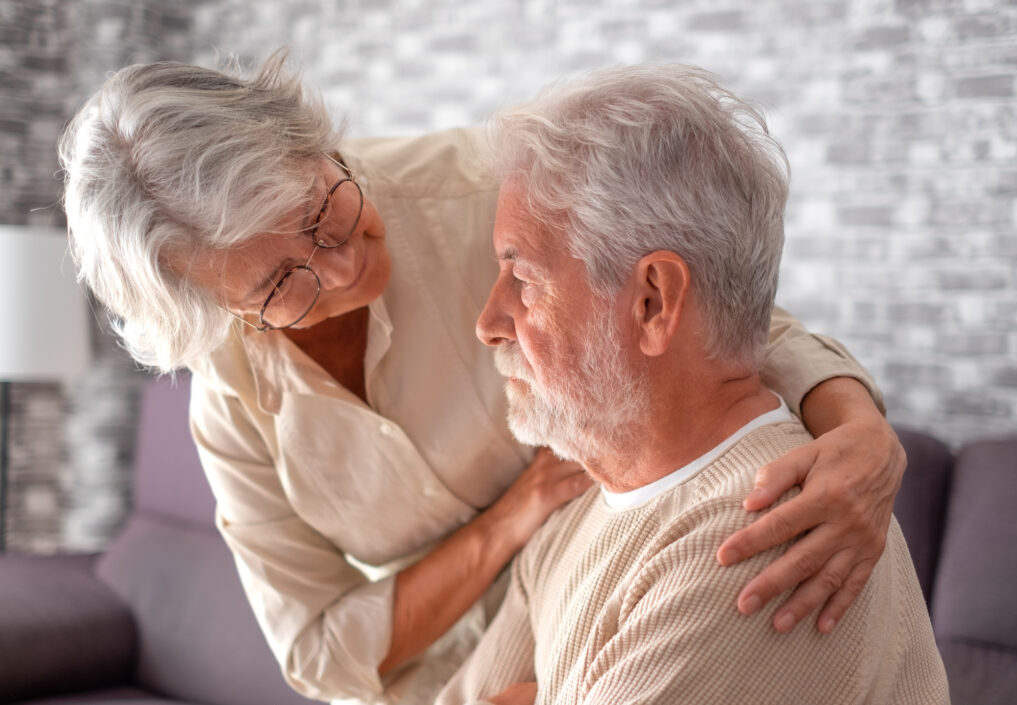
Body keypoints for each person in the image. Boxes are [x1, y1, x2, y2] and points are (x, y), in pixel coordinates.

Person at [59, 51, 907, 704]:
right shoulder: (232, 396)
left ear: (312, 142)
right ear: (224, 313)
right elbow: (318, 651)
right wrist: (517, 516)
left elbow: (709, 314)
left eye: (322, 210)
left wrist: (859, 430)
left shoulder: (483, 193)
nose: (345, 263)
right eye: (281, 284)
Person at [437, 63, 948, 705]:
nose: (488, 323)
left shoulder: (762, 536)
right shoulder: (579, 511)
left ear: (653, 301)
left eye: (525, 279)